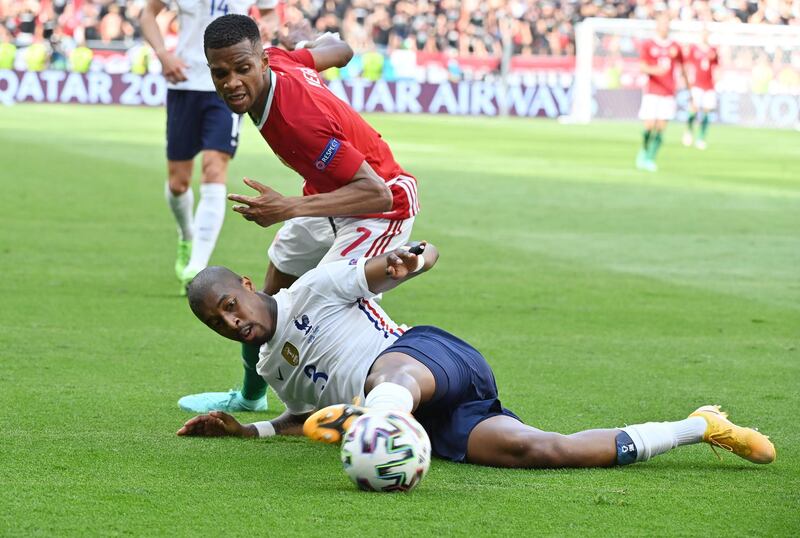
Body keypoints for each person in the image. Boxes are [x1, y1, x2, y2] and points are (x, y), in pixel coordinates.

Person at [176, 243, 776, 469]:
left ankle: (379, 420)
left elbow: (410, 259)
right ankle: (702, 426)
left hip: (426, 359)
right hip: (434, 424)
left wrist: (413, 259)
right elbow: (306, 416)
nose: (232, 322)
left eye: (231, 305)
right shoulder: (271, 368)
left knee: (383, 378)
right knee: (543, 450)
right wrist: (247, 431)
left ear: (251, 286)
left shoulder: (313, 287)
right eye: (217, 322)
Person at [177, 14, 420, 414]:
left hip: (381, 206)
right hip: (328, 194)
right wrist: (322, 42)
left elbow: (374, 192)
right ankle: (252, 396)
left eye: (243, 70)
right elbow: (339, 51)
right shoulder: (278, 58)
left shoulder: (296, 119)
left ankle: (384, 400)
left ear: (262, 63)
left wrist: (287, 207)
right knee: (267, 292)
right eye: (221, 73)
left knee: (330, 302)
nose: (232, 82)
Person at [139, 1, 278, 295]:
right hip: (185, 82)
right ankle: (187, 236)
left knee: (215, 167)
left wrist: (267, 29)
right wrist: (163, 54)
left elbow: (269, 14)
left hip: (229, 84)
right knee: (178, 183)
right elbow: (148, 13)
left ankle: (196, 266)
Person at [636, 12, 692, 172]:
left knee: (661, 127)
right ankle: (644, 150)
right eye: (662, 23)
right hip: (652, 91)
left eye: (667, 23)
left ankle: (650, 158)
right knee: (648, 126)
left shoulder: (675, 46)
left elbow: (683, 68)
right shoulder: (648, 44)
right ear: (657, 25)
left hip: (669, 92)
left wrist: (689, 89)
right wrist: (657, 71)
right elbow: (642, 66)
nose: (665, 26)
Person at [683, 28, 719, 150]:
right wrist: (687, 81)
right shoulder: (694, 49)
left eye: (707, 34)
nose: (705, 37)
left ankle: (701, 138)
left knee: (707, 112)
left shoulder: (713, 50)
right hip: (697, 85)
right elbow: (687, 65)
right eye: (703, 34)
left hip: (709, 86)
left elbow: (717, 67)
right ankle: (688, 131)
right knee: (693, 109)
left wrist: (717, 81)